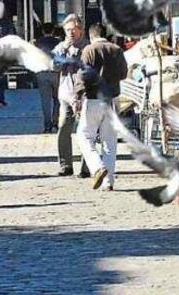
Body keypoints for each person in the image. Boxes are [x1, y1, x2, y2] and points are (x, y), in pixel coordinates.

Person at [75, 24, 128, 191]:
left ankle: (97, 166)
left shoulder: (89, 50)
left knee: (84, 136)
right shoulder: (117, 50)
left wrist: (77, 95)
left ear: (91, 36)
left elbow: (83, 75)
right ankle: (108, 182)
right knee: (109, 142)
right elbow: (124, 73)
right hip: (112, 99)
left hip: (93, 99)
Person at [53, 14, 89, 177]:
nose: (70, 33)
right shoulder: (61, 46)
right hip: (66, 94)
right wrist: (63, 50)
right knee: (63, 128)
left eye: (73, 30)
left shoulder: (88, 46)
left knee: (86, 131)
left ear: (80, 30)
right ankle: (65, 164)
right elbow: (54, 66)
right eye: (67, 30)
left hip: (85, 94)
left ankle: (87, 166)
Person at [35, 23, 61, 133]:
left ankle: (47, 126)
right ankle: (56, 122)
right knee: (58, 99)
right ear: (53, 31)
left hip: (42, 73)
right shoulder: (59, 43)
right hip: (56, 72)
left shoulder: (37, 43)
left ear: (42, 31)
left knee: (45, 101)